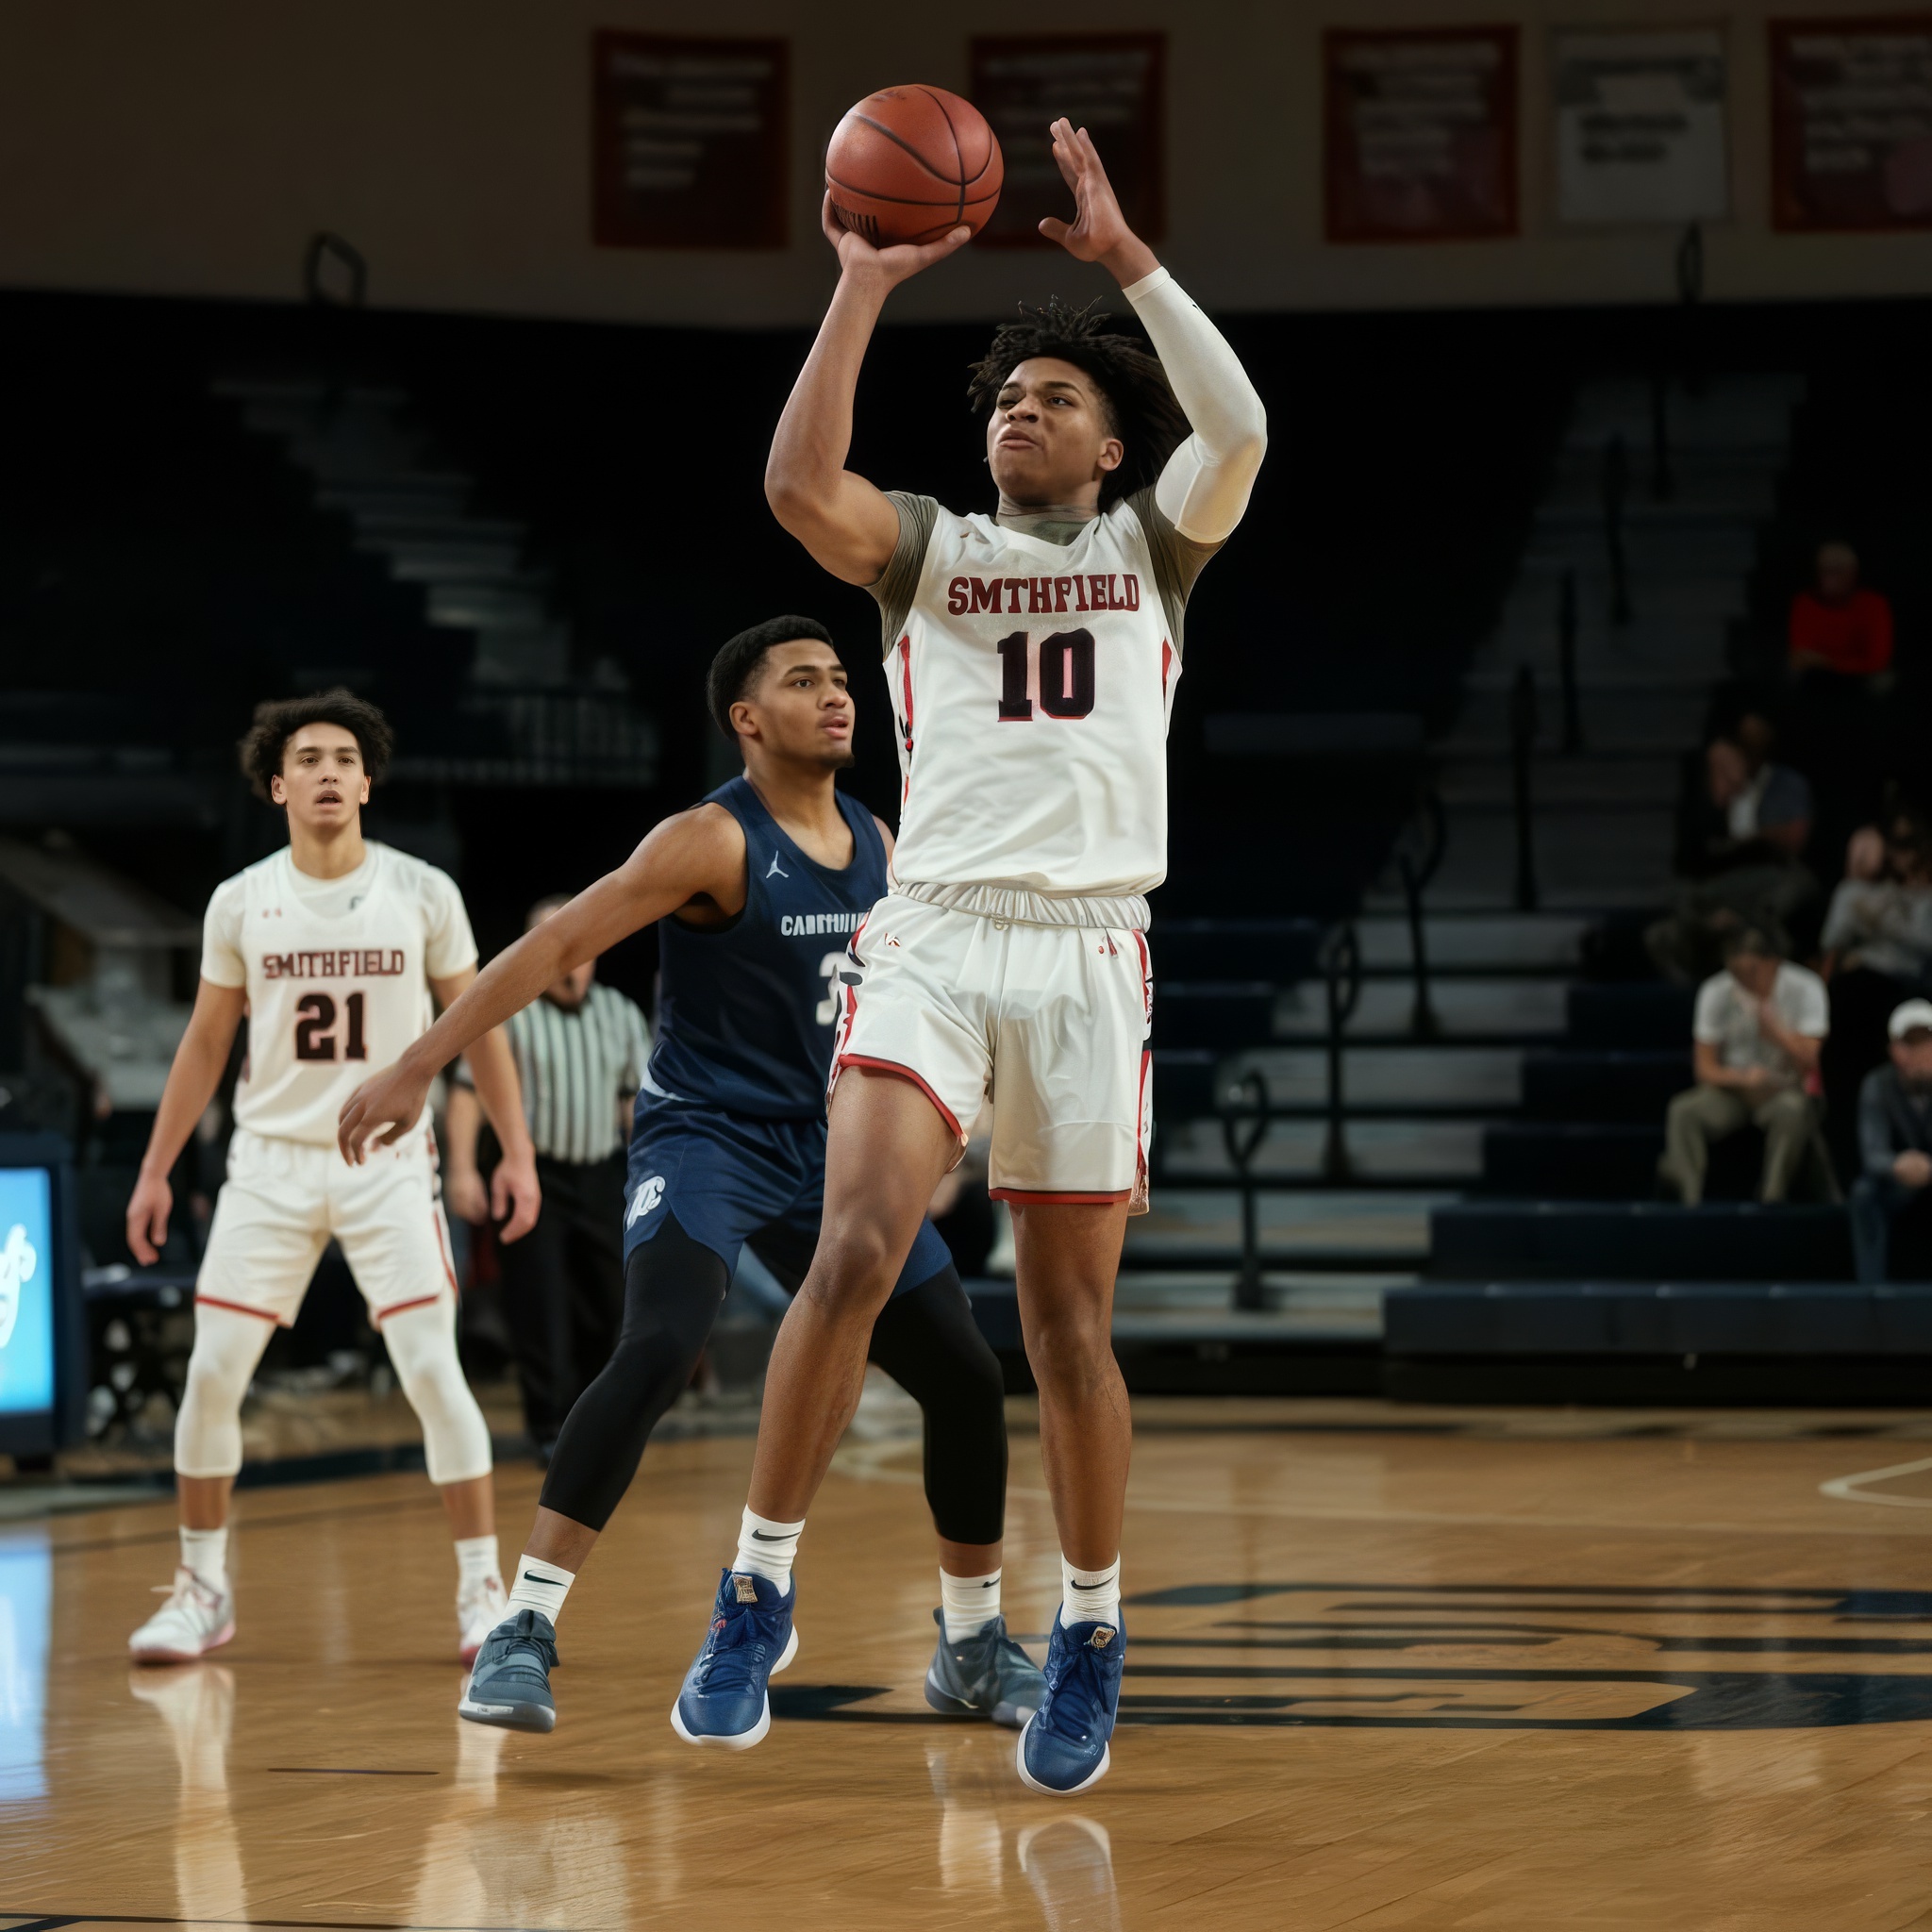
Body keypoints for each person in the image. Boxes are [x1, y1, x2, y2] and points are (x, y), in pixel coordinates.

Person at [674, 117, 1266, 1794]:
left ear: (1102, 452)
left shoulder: (1153, 547)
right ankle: (754, 1590)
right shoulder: (930, 549)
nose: (1020, 409)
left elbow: (1240, 422)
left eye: (1054, 400)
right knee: (852, 1245)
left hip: (1087, 950)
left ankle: (1084, 1626)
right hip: (930, 930)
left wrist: (1126, 265)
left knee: (1066, 1333)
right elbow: (798, 487)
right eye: (1006, 396)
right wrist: (859, 284)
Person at [338, 619, 1040, 1740]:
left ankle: (968, 1640)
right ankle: (525, 1624)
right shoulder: (709, 841)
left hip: (835, 1148)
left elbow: (933, 1001)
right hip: (706, 1137)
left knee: (962, 1374)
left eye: (842, 678)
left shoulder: (884, 843)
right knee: (661, 1341)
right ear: (746, 719)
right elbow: (553, 944)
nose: (836, 694)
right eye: (803, 681)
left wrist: (956, 1111)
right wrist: (417, 1064)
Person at [124, 690, 540, 1665]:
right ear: (276, 784)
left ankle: (483, 1587)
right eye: (305, 757)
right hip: (269, 1163)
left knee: (433, 1370)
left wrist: (512, 1150)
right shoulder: (241, 898)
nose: (325, 770)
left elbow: (477, 1026)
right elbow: (203, 1042)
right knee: (211, 1372)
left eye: (342, 757)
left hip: (389, 1162)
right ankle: (201, 1587)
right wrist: (155, 1168)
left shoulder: (423, 890)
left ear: (366, 779)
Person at [445, 895, 651, 1459]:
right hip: (532, 1178)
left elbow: (635, 1103)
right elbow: (466, 1096)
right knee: (541, 1309)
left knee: (612, 1306)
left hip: (602, 1177)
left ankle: (599, 1423)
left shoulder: (620, 1013)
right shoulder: (511, 1014)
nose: (574, 960)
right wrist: (461, 1169)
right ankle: (550, 1432)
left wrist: (654, 1174)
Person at [1661, 925, 1831, 1206]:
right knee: (1683, 1111)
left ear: (1773, 962)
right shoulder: (1716, 990)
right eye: (1735, 972)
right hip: (1733, 1090)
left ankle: (1772, 1199)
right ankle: (1687, 1201)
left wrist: (1776, 1034)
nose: (1743, 980)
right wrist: (1743, 1079)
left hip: (1784, 1089)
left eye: (1751, 971)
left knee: (1793, 1111)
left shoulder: (1805, 986)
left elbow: (1812, 1063)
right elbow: (1704, 1069)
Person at [1649, 724, 1817, 985]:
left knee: (1771, 928)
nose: (1748, 758)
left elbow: (1793, 846)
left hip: (1758, 896)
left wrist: (1739, 918)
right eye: (1743, 750)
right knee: (1662, 932)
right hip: (1715, 895)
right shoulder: (1709, 792)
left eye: (1756, 751)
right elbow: (1690, 865)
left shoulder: (1784, 787)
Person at [1850, 999, 1932, 1284]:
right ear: (1894, 1051)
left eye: (1926, 1044)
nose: (1920, 1054)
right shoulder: (1877, 1084)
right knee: (1864, 1194)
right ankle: (1872, 1294)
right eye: (1910, 1045)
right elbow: (1872, 1153)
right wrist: (1898, 1164)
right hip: (1898, 1182)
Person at [1790, 541, 1893, 681]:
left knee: (1883, 681)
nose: (1825, 579)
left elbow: (1877, 660)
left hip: (1859, 679)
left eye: (1834, 571)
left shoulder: (1874, 604)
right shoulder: (1806, 602)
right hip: (1816, 679)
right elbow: (1801, 655)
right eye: (1822, 570)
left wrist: (1831, 663)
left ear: (1852, 573)